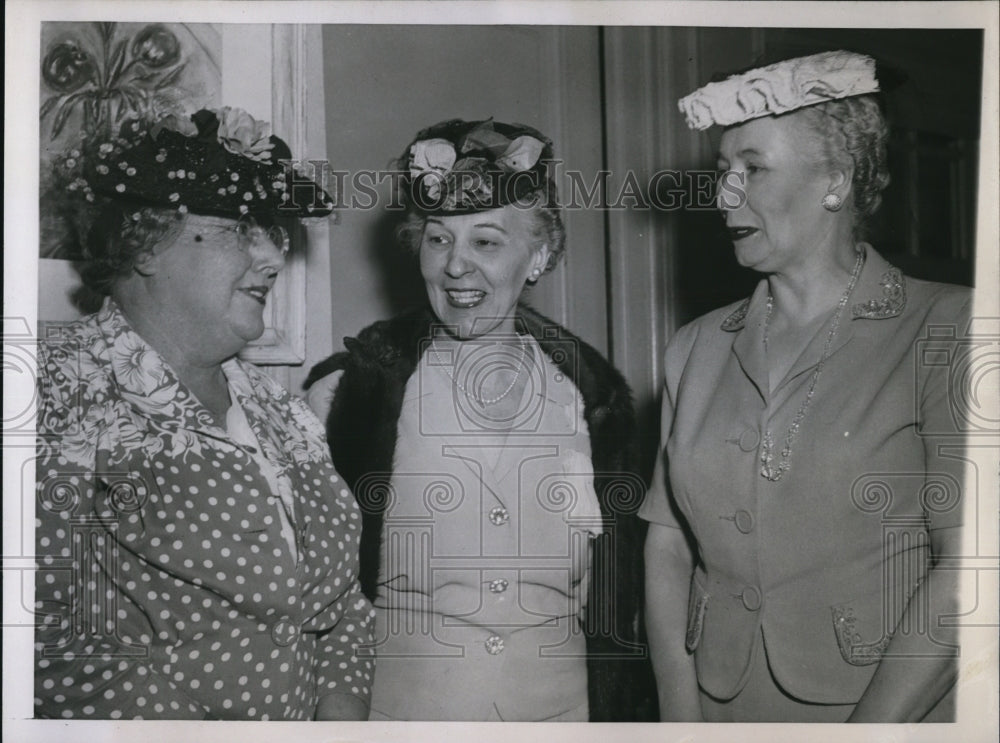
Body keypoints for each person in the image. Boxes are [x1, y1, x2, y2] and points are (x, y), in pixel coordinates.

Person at [641, 51, 971, 723]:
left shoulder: (949, 327)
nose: (724, 195)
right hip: (718, 706)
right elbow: (668, 543)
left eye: (753, 169)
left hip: (884, 710)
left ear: (836, 181)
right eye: (722, 172)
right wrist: (679, 716)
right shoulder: (695, 347)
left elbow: (968, 570)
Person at [305, 118, 656, 721]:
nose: (456, 267)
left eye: (486, 242)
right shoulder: (351, 394)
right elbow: (310, 597)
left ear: (539, 254)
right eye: (438, 240)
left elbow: (619, 602)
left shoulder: (593, 404)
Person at [34, 107, 374, 720]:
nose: (273, 257)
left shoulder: (280, 410)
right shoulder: (51, 392)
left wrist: (339, 721)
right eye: (240, 229)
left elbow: (341, 608)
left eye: (272, 232)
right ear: (147, 241)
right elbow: (44, 643)